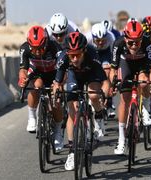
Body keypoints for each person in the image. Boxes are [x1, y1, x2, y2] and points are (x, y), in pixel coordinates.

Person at [53, 31, 107, 170]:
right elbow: (57, 83)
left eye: (78, 55)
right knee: (72, 110)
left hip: (90, 74)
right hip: (73, 76)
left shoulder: (92, 54)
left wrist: (105, 95)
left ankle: (99, 116)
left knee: (94, 95)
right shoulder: (64, 58)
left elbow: (105, 82)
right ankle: (72, 152)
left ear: (84, 51)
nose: (75, 59)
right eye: (72, 55)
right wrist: (56, 95)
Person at [110, 20, 151, 155]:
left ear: (142, 39)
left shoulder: (147, 43)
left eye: (137, 41)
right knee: (125, 99)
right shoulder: (118, 43)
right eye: (130, 42)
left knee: (144, 82)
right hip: (126, 65)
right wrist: (113, 83)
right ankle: (121, 139)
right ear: (125, 38)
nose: (134, 45)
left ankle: (146, 107)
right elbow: (113, 70)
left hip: (142, 64)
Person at [18, 26, 64, 151]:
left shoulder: (55, 47)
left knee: (55, 102)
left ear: (46, 42)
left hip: (54, 73)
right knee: (36, 86)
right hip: (38, 72)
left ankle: (58, 131)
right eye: (34, 49)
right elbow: (23, 69)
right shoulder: (24, 48)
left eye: (40, 48)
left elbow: (63, 69)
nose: (37, 52)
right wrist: (23, 79)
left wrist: (58, 84)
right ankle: (32, 116)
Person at [86, 22, 116, 118]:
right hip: (92, 52)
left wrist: (112, 84)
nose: (100, 42)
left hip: (105, 53)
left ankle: (108, 100)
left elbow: (114, 59)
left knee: (107, 70)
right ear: (93, 37)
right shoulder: (87, 39)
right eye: (98, 40)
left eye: (103, 40)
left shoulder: (111, 38)